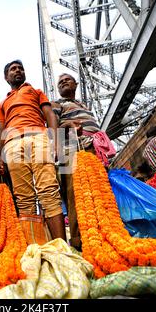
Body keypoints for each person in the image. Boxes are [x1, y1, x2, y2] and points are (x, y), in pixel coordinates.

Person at [0, 59, 66, 241]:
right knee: (23, 197)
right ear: (6, 77)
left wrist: (56, 142)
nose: (17, 71)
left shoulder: (36, 91)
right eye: (13, 69)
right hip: (12, 144)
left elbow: (49, 115)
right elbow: (0, 130)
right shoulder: (2, 103)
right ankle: (35, 245)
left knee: (48, 189)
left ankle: (60, 245)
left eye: (20, 68)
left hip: (38, 137)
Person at [50, 73, 115, 250]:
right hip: (71, 148)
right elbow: (52, 128)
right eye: (60, 81)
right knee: (75, 193)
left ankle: (104, 233)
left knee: (98, 192)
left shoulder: (83, 105)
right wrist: (68, 126)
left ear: (76, 84)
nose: (63, 82)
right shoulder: (57, 104)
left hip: (92, 149)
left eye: (67, 79)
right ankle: (80, 240)